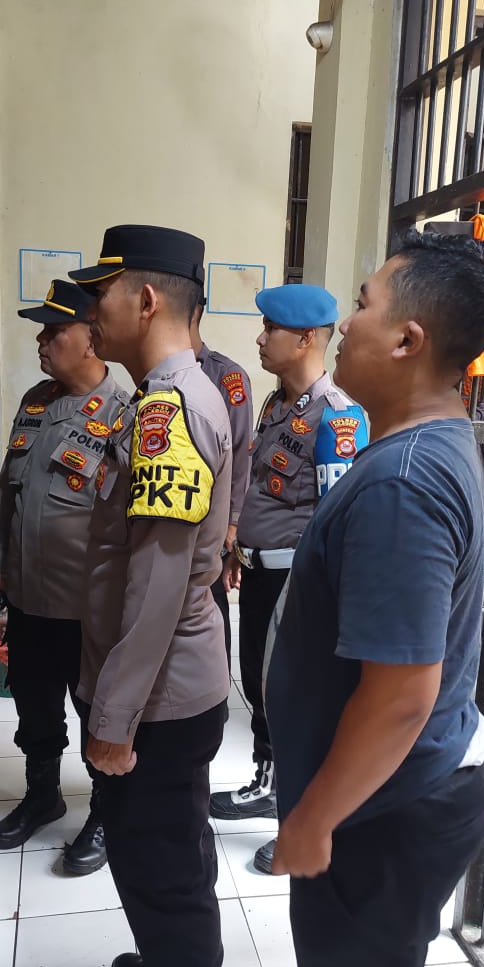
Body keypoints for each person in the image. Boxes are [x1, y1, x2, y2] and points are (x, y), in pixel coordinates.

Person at [265, 231, 484, 967]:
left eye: (363, 304)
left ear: (407, 339)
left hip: (382, 809)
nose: (346, 322)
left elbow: (402, 694)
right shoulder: (432, 445)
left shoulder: (403, 479)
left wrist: (313, 819)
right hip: (406, 794)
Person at [69, 225, 235, 967]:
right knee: (165, 845)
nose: (90, 312)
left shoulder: (173, 409)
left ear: (144, 300)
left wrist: (112, 718)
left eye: (101, 293)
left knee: (158, 860)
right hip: (157, 687)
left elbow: (157, 586)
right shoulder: (161, 398)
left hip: (158, 695)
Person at [210, 284, 367, 873]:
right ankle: (268, 782)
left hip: (295, 587)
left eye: (270, 329)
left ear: (304, 339)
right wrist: (239, 549)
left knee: (295, 701)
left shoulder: (337, 416)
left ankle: (298, 818)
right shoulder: (278, 406)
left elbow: (335, 519)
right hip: (258, 575)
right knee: (260, 687)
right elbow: (259, 489)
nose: (259, 338)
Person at [0, 280, 128, 875]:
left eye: (54, 331)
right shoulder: (35, 402)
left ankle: (106, 810)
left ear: (92, 338)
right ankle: (42, 794)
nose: (42, 342)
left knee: (94, 710)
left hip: (87, 607)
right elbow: (6, 491)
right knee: (34, 705)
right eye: (41, 332)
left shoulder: (126, 414)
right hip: (28, 595)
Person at [190, 294, 253, 670]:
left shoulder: (226, 377)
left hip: (209, 529)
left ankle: (215, 690)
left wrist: (232, 524)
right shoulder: (151, 377)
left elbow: (242, 455)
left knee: (210, 617)